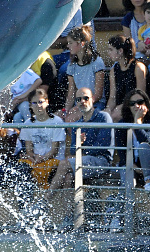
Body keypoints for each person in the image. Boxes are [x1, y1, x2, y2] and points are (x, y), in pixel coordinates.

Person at [47, 87, 112, 230]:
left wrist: (82, 148)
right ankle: (71, 218)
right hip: (84, 162)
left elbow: (102, 148)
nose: (82, 101)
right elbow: (72, 153)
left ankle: (45, 201)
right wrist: (80, 147)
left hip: (101, 161)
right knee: (68, 178)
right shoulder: (78, 124)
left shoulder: (103, 117)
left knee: (64, 165)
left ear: (93, 99)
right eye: (78, 99)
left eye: (86, 98)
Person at [19, 89, 66, 188]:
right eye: (34, 103)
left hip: (53, 160)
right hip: (36, 159)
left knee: (38, 169)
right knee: (21, 168)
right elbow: (29, 149)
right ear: (30, 105)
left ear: (47, 102)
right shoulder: (28, 123)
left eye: (40, 102)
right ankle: (26, 200)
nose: (38, 105)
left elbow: (54, 151)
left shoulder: (57, 121)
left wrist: (41, 159)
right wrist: (33, 157)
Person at [115, 89, 150, 191]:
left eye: (140, 102)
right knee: (127, 182)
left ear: (146, 103)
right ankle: (121, 205)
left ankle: (148, 182)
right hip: (130, 164)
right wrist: (133, 166)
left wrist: (137, 121)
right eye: (132, 103)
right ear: (128, 106)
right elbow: (121, 152)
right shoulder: (122, 124)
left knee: (143, 146)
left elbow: (145, 140)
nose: (136, 106)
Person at [64, 26, 106, 122]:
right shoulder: (72, 66)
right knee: (62, 118)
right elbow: (71, 92)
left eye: (71, 43)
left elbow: (98, 94)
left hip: (95, 103)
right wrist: (66, 110)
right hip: (79, 104)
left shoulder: (96, 62)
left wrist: (80, 105)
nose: (68, 46)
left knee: (70, 120)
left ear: (81, 44)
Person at [105, 36, 147, 121]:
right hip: (120, 107)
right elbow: (112, 97)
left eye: (111, 50)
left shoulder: (138, 67)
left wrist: (123, 107)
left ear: (120, 51)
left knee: (114, 117)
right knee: (105, 117)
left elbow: (140, 96)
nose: (108, 52)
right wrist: (107, 111)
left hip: (137, 106)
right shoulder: (114, 69)